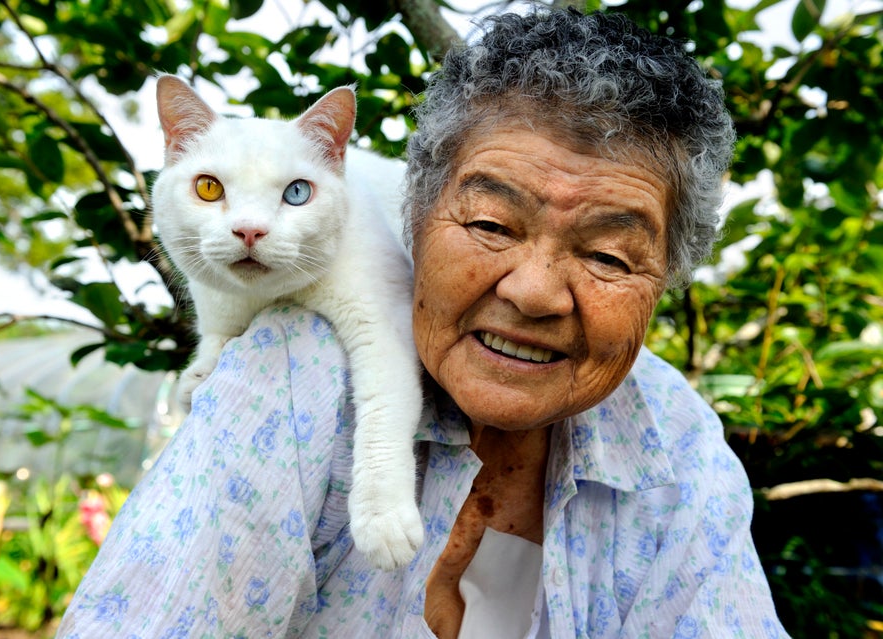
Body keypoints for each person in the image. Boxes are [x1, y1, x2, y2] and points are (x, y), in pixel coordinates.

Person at [56, 7, 790, 638]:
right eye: (492, 224)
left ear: (666, 279)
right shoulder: (287, 378)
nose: (535, 293)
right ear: (414, 216)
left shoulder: (675, 446)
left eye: (606, 252)